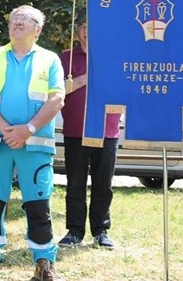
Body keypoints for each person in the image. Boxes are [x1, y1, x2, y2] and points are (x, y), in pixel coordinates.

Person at [0, 5, 65, 281]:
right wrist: (6, 129)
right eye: (13, 19)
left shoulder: (50, 59)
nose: (17, 23)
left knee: (38, 204)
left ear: (38, 29)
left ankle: (44, 263)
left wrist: (28, 129)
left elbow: (57, 99)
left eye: (24, 19)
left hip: (35, 143)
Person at [58, 17, 120, 250]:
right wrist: (88, 78)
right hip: (76, 130)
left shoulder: (113, 56)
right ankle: (74, 231)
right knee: (75, 183)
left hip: (107, 130)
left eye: (91, 27)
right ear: (77, 32)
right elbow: (60, 89)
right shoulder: (66, 57)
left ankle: (101, 230)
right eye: (82, 27)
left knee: (103, 183)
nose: (86, 32)